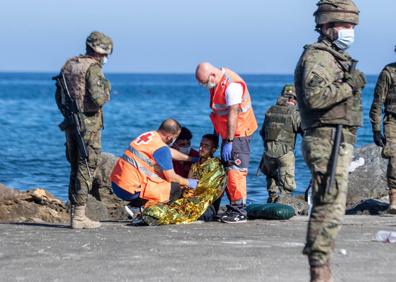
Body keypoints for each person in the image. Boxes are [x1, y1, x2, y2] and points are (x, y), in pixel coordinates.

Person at [294, 1, 366, 281]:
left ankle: (323, 269)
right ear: (327, 26)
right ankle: (319, 272)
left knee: (333, 207)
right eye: (346, 26)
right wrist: (349, 86)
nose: (350, 32)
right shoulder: (318, 57)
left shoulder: (332, 56)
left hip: (337, 138)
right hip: (327, 140)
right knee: (328, 207)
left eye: (352, 27)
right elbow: (315, 98)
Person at [55, 31, 113, 229]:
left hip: (71, 122)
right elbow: (98, 99)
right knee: (87, 166)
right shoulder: (93, 68)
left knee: (74, 166)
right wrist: (107, 88)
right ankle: (79, 216)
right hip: (88, 125)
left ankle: (75, 214)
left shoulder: (70, 64)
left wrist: (69, 114)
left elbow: (59, 95)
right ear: (101, 51)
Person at [195, 62, 258, 223]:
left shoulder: (232, 86)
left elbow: (233, 113)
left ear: (213, 75)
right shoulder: (217, 83)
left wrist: (229, 141)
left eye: (204, 82)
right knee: (226, 169)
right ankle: (231, 206)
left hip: (238, 133)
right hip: (227, 134)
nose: (204, 86)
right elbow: (219, 113)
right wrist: (217, 135)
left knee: (235, 170)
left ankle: (239, 210)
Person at [110, 119, 199, 215]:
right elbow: (171, 177)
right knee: (174, 188)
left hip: (116, 181)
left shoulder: (150, 135)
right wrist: (189, 182)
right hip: (129, 189)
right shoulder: (161, 148)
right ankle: (141, 209)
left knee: (159, 180)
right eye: (175, 137)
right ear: (169, 136)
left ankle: (135, 206)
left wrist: (190, 159)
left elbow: (169, 152)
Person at [142, 133, 226, 225]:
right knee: (162, 204)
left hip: (205, 206)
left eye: (206, 146)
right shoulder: (195, 164)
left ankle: (154, 217)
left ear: (213, 149)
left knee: (173, 213)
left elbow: (208, 191)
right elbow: (188, 186)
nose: (201, 148)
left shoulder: (216, 166)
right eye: (201, 145)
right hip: (187, 199)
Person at [259, 84, 302, 203]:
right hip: (284, 153)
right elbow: (304, 129)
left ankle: (271, 201)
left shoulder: (270, 110)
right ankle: (283, 204)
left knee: (272, 182)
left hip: (268, 153)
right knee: (286, 188)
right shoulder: (294, 112)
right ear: (294, 98)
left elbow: (263, 132)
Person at [369, 46, 396, 214]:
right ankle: (394, 201)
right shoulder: (389, 72)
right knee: (395, 160)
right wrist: (376, 130)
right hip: (393, 121)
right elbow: (378, 102)